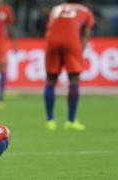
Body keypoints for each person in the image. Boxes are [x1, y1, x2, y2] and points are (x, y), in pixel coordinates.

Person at [44, 0, 94, 131]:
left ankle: (50, 120)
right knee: (74, 79)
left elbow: (51, 26)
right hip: (71, 41)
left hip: (52, 41)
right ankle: (71, 121)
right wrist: (80, 50)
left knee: (51, 80)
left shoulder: (55, 8)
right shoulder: (85, 11)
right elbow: (86, 33)